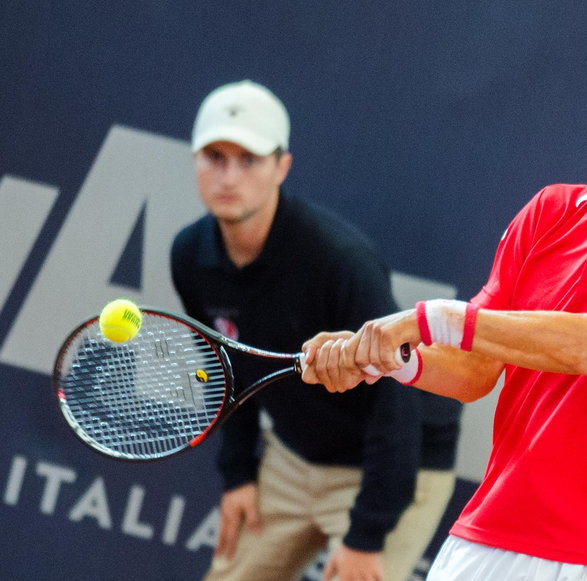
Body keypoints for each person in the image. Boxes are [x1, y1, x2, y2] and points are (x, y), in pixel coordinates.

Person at [301, 39, 587, 581]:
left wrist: (421, 320)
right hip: (485, 538)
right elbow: (473, 372)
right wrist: (387, 358)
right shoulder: (549, 212)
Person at [170, 80, 461, 581]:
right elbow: (224, 371)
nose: (228, 176)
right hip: (294, 457)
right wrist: (239, 473)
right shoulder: (190, 256)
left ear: (281, 167)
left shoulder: (339, 261)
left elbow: (398, 402)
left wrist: (366, 536)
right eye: (214, 157)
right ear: (194, 160)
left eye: (249, 160)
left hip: (392, 462)